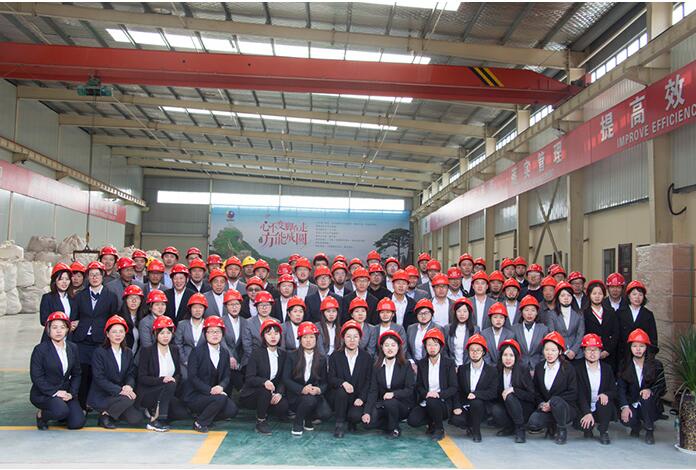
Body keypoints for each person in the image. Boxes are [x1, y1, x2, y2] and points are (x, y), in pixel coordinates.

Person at [73, 261, 119, 409]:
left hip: (101, 340)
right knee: (82, 372)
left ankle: (95, 403)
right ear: (88, 277)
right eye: (91, 275)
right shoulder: (80, 296)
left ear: (103, 276)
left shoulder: (111, 296)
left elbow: (113, 318)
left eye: (97, 275)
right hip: (82, 340)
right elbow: (75, 316)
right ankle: (82, 405)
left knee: (98, 373)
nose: (94, 278)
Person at [181, 316, 239, 433]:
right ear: (205, 334)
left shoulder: (224, 353)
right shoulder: (196, 351)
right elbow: (192, 377)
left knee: (232, 410)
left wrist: (221, 387)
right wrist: (210, 390)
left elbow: (227, 375)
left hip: (215, 394)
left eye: (218, 331)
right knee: (220, 399)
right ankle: (200, 423)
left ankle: (206, 417)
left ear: (222, 334)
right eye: (211, 331)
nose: (215, 334)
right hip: (195, 395)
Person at [30, 311, 86, 430]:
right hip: (45, 393)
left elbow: (77, 374)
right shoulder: (40, 350)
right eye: (54, 327)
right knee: (61, 411)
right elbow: (36, 377)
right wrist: (55, 392)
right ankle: (42, 415)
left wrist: (72, 393)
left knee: (77, 423)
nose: (59, 331)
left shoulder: (72, 347)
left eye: (62, 327)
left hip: (66, 393)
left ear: (67, 329)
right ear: (48, 330)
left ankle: (61, 413)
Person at [136, 316, 190, 432]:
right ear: (155, 334)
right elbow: (142, 378)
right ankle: (158, 420)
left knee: (182, 413)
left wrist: (173, 380)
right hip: (149, 392)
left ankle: (157, 411)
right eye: (162, 333)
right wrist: (162, 380)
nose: (165, 336)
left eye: (168, 333)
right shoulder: (147, 351)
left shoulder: (174, 350)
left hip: (168, 391)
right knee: (169, 384)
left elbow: (178, 374)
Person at [88, 315, 142, 429]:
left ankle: (108, 414)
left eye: (121, 331)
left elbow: (131, 373)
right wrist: (120, 390)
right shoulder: (99, 352)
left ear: (125, 334)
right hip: (103, 395)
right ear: (107, 334)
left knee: (136, 419)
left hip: (120, 396)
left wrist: (128, 386)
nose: (118, 335)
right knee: (128, 399)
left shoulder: (128, 352)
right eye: (114, 332)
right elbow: (99, 378)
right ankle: (108, 415)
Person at [239, 318, 289, 435]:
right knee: (265, 391)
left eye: (276, 333)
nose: (273, 337)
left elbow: (283, 378)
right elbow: (250, 378)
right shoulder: (256, 353)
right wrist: (264, 382)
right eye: (269, 333)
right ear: (263, 336)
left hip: (272, 392)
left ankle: (266, 409)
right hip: (253, 393)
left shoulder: (283, 354)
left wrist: (279, 393)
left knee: (283, 406)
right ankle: (261, 421)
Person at [407, 328, 458, 441]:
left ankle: (439, 428)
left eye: (435, 344)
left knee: (432, 401)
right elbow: (419, 386)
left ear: (441, 346)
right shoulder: (422, 363)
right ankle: (432, 422)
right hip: (426, 400)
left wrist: (438, 394)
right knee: (413, 421)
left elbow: (454, 387)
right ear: (425, 346)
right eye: (429, 344)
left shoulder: (449, 363)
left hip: (442, 402)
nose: (432, 348)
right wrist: (426, 394)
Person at [282, 321, 332, 437]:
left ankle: (308, 417)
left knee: (325, 413)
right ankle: (298, 422)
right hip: (295, 395)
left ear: (316, 339)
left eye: (311, 337)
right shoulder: (291, 356)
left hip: (313, 394)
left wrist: (318, 390)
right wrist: (302, 389)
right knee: (308, 400)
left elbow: (325, 382)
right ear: (300, 339)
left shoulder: (322, 359)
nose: (308, 340)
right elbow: (286, 378)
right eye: (305, 337)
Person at [362, 330, 415, 438]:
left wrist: (394, 394)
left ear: (398, 347)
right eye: (386, 345)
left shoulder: (406, 365)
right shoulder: (376, 366)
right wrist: (366, 412)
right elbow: (373, 391)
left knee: (390, 402)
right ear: (381, 347)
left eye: (393, 345)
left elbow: (409, 389)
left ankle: (394, 428)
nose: (390, 348)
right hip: (383, 404)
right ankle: (391, 423)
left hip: (401, 405)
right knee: (367, 424)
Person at [527, 331, 578, 445]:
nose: (549, 353)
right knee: (533, 422)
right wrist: (542, 404)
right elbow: (536, 391)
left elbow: (573, 392)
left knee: (556, 400)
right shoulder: (539, 367)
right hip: (546, 407)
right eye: (547, 350)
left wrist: (552, 402)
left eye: (553, 350)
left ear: (560, 351)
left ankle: (561, 430)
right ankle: (551, 426)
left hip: (565, 407)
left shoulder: (568, 368)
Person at [617, 328, 666, 445]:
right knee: (627, 418)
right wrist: (624, 407)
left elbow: (662, 386)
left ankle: (649, 430)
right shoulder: (624, 364)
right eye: (634, 346)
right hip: (632, 402)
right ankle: (636, 426)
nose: (638, 349)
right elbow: (621, 388)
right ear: (630, 348)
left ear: (646, 348)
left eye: (641, 346)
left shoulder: (656, 365)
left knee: (646, 397)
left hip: (650, 404)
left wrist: (650, 390)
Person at [328, 320, 373, 438]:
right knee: (341, 391)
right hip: (339, 397)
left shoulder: (366, 357)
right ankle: (339, 424)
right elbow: (331, 378)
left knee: (355, 416)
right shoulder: (335, 356)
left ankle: (351, 421)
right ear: (343, 338)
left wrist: (362, 398)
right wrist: (342, 382)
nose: (352, 340)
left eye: (355, 337)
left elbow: (368, 381)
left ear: (360, 338)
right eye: (348, 336)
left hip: (357, 397)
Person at [450, 334, 497, 442]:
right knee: (456, 419)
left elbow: (493, 392)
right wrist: (457, 406)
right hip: (466, 404)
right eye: (472, 350)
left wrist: (476, 394)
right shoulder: (462, 369)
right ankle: (470, 426)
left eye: (478, 350)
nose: (475, 353)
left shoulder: (491, 371)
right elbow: (457, 390)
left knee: (476, 402)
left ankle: (476, 431)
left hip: (482, 406)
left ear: (483, 352)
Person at [490, 339, 535, 443]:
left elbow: (532, 396)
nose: (508, 358)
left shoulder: (523, 370)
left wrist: (514, 390)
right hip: (506, 407)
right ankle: (510, 427)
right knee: (495, 409)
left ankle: (520, 429)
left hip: (523, 408)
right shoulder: (497, 370)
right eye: (505, 355)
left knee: (510, 396)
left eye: (511, 355)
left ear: (516, 357)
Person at [574, 334, 616, 445]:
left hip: (600, 407)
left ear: (600, 351)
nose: (592, 353)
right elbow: (578, 394)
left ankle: (604, 431)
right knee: (585, 425)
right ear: (583, 351)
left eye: (596, 350)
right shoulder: (577, 368)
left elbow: (613, 390)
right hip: (583, 407)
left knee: (605, 402)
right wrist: (587, 412)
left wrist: (606, 394)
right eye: (589, 350)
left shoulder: (607, 368)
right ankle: (588, 428)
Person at [583, 280, 620, 373]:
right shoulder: (584, 313)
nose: (597, 296)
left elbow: (616, 333)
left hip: (609, 354)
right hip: (590, 353)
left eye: (600, 293)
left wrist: (607, 351)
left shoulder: (610, 312)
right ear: (589, 295)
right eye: (594, 293)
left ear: (604, 295)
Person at [220, 289, 253, 393]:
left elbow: (246, 344)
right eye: (231, 304)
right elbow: (221, 340)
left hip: (240, 360)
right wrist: (229, 356)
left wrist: (242, 362)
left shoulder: (245, 322)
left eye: (237, 304)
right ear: (226, 306)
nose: (234, 307)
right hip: (225, 359)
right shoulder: (221, 321)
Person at [617, 280, 658, 362]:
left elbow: (653, 338)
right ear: (629, 296)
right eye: (634, 294)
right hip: (623, 356)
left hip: (643, 356)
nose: (637, 297)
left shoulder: (648, 315)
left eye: (640, 295)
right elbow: (616, 336)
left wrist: (650, 356)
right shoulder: (620, 313)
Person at [547, 281, 585, 362]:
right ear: (558, 297)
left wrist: (573, 350)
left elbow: (580, 334)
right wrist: (565, 351)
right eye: (563, 295)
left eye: (569, 295)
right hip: (559, 354)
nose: (566, 298)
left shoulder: (579, 314)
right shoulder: (551, 314)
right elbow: (552, 333)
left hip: (577, 354)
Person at [40, 263, 78, 342]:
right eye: (61, 279)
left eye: (67, 279)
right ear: (55, 281)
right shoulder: (47, 298)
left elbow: (76, 317)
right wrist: (65, 326)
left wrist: (76, 323)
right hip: (51, 339)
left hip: (69, 339)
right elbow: (44, 320)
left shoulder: (73, 299)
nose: (64, 282)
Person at [512, 295, 549, 373]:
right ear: (521, 312)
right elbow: (513, 351)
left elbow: (545, 351)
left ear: (536, 313)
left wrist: (539, 367)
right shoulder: (514, 329)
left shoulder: (543, 329)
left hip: (538, 367)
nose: (530, 313)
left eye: (533, 310)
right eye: (526, 310)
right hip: (519, 368)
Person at [174, 293, 208, 379]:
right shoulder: (182, 324)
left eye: (200, 307)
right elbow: (178, 344)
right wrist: (184, 360)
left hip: (204, 360)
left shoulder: (208, 324)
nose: (197, 310)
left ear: (204, 309)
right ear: (190, 309)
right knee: (185, 379)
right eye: (194, 307)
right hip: (186, 359)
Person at [406, 299, 445, 370]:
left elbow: (442, 350)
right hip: (414, 365)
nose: (423, 316)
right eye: (420, 313)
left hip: (432, 365)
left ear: (432, 314)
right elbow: (407, 349)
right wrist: (412, 363)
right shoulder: (411, 328)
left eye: (426, 313)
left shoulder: (438, 329)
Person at [445, 297, 478, 368]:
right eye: (459, 311)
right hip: (451, 366)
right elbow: (445, 350)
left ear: (469, 313)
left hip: (469, 367)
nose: (462, 314)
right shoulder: (448, 328)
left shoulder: (475, 330)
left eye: (465, 311)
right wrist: (451, 365)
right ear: (455, 313)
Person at [481, 302, 514, 366]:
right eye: (495, 317)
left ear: (505, 319)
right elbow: (484, 354)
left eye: (501, 317)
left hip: (504, 367)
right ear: (490, 318)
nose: (498, 320)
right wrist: (491, 367)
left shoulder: (510, 335)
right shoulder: (484, 334)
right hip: (488, 367)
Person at [120, 284, 146, 355]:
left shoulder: (144, 318)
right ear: (126, 300)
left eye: (137, 298)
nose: (134, 301)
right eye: (130, 298)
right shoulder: (119, 318)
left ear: (141, 301)